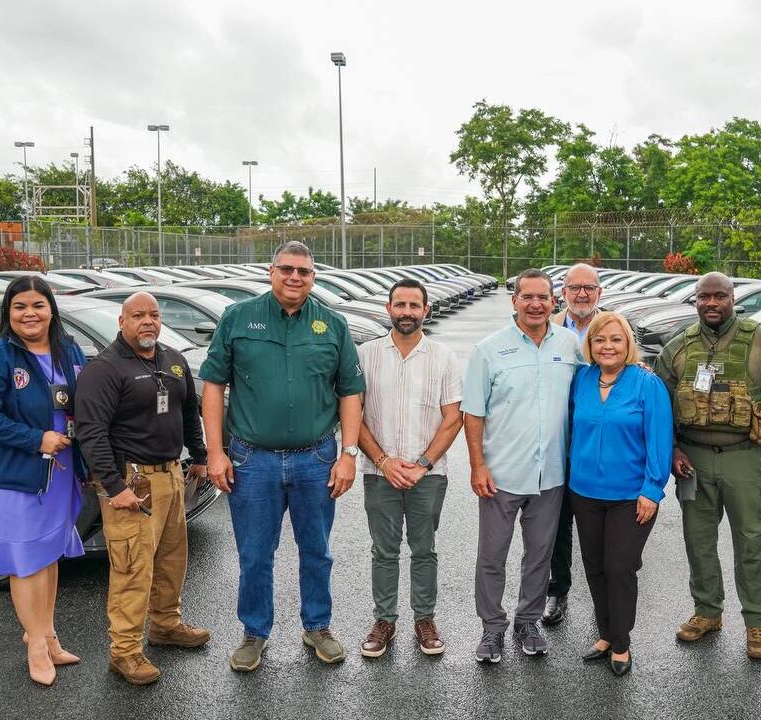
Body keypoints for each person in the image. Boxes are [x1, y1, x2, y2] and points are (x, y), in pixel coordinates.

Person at [200, 241, 366, 671]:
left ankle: (318, 627)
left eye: (304, 272)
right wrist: (215, 451)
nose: (295, 277)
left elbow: (350, 392)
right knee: (255, 553)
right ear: (271, 272)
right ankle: (254, 633)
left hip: (317, 459)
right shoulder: (238, 318)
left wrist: (349, 455)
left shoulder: (333, 324)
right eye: (287, 269)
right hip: (253, 460)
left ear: (314, 277)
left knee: (317, 551)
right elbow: (213, 386)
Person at [653, 272, 761, 660]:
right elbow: (658, 404)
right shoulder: (678, 346)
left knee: (752, 542)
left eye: (719, 296)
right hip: (694, 460)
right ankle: (707, 611)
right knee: (698, 541)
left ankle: (757, 622)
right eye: (704, 297)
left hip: (746, 457)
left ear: (732, 298)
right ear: (695, 300)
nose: (711, 303)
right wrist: (672, 450)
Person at [74, 292, 210, 685]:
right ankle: (125, 652)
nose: (147, 321)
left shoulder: (173, 361)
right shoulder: (104, 369)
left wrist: (199, 455)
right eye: (138, 315)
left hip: (172, 475)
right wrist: (114, 485)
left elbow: (189, 412)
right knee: (132, 568)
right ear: (122, 322)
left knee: (171, 560)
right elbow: (91, 432)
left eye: (154, 314)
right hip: (132, 484)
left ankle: (165, 625)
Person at [0, 275, 89, 687]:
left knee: (48, 556)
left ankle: (48, 635)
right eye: (20, 306)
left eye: (37, 305)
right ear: (7, 311)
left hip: (60, 472)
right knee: (26, 562)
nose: (29, 314)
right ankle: (35, 644)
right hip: (14, 477)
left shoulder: (69, 350)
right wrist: (36, 439)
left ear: (51, 309)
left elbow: (84, 402)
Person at [462, 268, 579, 664]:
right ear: (513, 301)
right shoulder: (489, 350)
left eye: (542, 297)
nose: (535, 304)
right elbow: (473, 413)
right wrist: (477, 465)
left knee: (540, 555)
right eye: (527, 296)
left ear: (553, 301)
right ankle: (492, 628)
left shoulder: (570, 344)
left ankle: (527, 621)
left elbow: (602, 376)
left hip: (552, 474)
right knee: (492, 556)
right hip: (501, 474)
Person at [356, 278, 464, 658]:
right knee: (384, 551)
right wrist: (383, 462)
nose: (406, 312)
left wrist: (422, 464)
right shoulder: (365, 355)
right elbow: (353, 414)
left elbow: (453, 418)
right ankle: (384, 620)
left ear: (426, 310)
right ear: (388, 309)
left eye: (414, 305)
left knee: (424, 549)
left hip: (428, 476)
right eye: (399, 305)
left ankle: (425, 620)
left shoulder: (444, 357)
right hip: (379, 473)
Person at [569, 312, 671, 677]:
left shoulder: (647, 383)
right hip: (584, 491)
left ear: (628, 343)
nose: (607, 346)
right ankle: (605, 634)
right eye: (599, 340)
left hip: (631, 495)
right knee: (595, 566)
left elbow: (660, 439)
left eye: (616, 339)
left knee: (619, 567)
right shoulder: (581, 379)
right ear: (590, 345)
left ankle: (622, 642)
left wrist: (652, 489)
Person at [543, 263, 604, 628]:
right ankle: (557, 590)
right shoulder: (547, 331)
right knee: (557, 522)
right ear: (562, 293)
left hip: (599, 444)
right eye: (574, 287)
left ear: (600, 292)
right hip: (557, 443)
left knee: (601, 525)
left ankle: (605, 599)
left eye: (589, 288)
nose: (582, 294)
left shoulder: (612, 329)